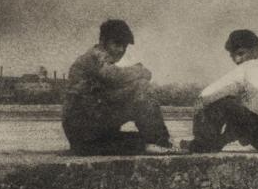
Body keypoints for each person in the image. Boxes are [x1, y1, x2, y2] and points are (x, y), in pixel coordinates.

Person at [62, 19, 178, 155]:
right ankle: (162, 143)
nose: (121, 50)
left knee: (142, 142)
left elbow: (112, 89)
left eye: (124, 46)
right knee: (142, 88)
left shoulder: (96, 59)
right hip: (86, 135)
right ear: (103, 42)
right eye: (117, 44)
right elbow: (113, 75)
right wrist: (139, 70)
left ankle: (158, 143)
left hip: (87, 139)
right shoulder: (95, 55)